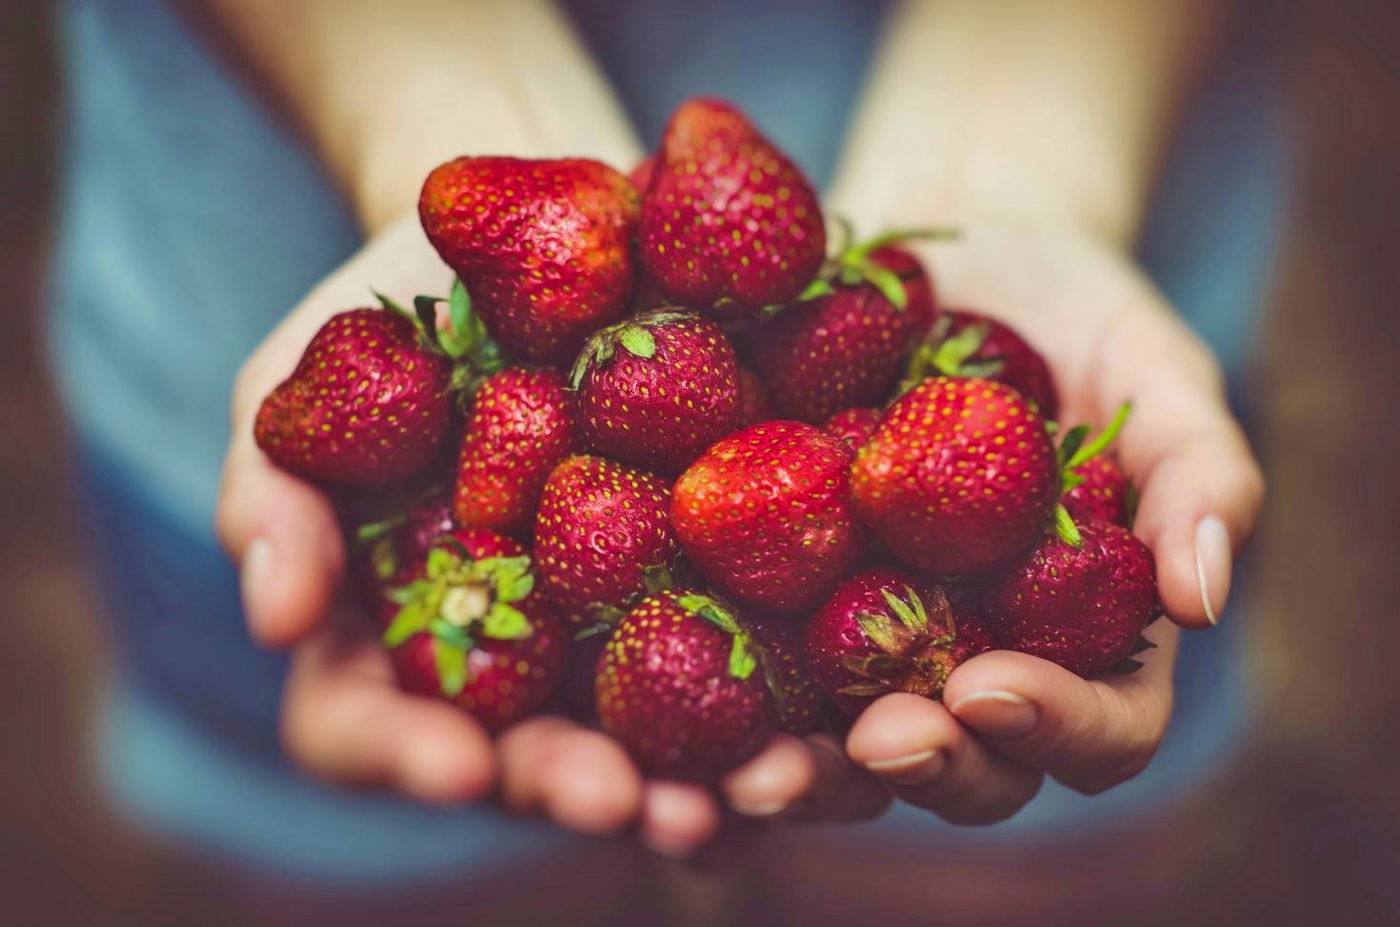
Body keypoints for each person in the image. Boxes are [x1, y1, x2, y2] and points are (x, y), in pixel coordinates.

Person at [51, 0, 1269, 883]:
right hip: (246, 245)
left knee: (1002, 880)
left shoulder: (845, 441)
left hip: (1105, 135)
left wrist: (1020, 175)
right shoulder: (604, 431)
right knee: (398, 882)